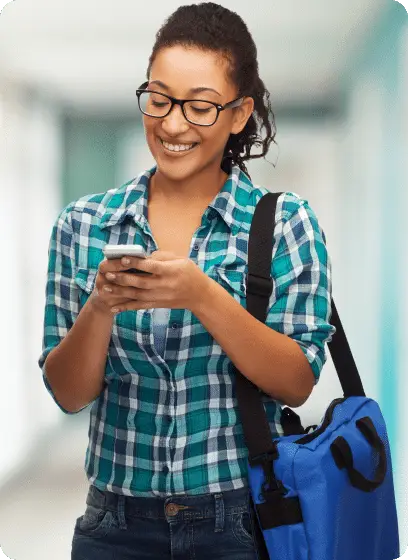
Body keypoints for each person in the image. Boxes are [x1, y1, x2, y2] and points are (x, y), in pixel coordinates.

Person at [38, 3, 336, 559]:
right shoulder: (82, 225)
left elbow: (296, 382)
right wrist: (100, 306)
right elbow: (68, 394)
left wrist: (202, 295)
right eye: (159, 99)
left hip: (241, 519)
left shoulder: (284, 223)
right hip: (113, 525)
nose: (173, 125)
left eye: (200, 107)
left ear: (239, 112)